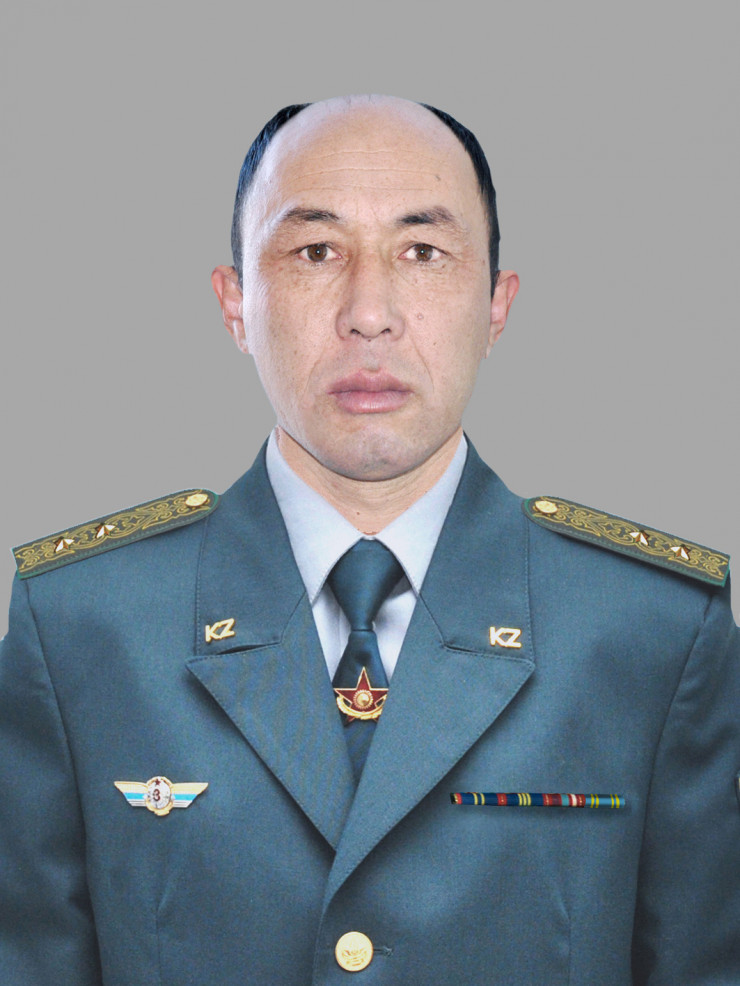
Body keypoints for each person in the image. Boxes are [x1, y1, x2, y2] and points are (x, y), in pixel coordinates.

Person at [0, 95, 737, 986]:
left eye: (422, 252)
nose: (370, 313)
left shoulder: (654, 633)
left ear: (497, 305)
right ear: (236, 304)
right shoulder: (82, 629)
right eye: (316, 251)